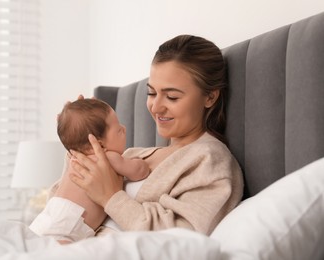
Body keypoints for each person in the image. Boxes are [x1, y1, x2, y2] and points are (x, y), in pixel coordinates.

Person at [30, 34, 244, 242]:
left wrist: (111, 198)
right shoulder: (130, 154)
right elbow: (60, 210)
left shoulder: (209, 160)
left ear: (210, 97)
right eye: (151, 93)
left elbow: (181, 239)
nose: (156, 106)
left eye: (172, 96)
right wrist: (78, 145)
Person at [29, 98, 150, 244]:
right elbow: (140, 171)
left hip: (48, 217)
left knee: (34, 247)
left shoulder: (74, 158)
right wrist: (140, 161)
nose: (124, 128)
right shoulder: (108, 158)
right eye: (118, 130)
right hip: (69, 225)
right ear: (99, 144)